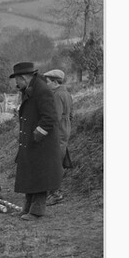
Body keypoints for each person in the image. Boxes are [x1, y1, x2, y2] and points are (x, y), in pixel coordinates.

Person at [9, 62, 64, 220]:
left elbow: (50, 117)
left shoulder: (42, 90)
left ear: (24, 78)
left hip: (41, 144)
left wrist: (37, 134)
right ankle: (27, 207)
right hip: (32, 142)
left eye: (17, 80)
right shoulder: (30, 89)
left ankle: (37, 211)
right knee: (30, 174)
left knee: (40, 176)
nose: (16, 83)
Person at [44, 69, 74, 205]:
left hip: (57, 131)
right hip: (65, 129)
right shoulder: (66, 93)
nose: (46, 84)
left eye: (48, 81)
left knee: (53, 162)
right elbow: (71, 114)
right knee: (57, 160)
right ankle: (53, 191)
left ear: (55, 82)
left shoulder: (56, 95)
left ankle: (55, 193)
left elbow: (54, 117)